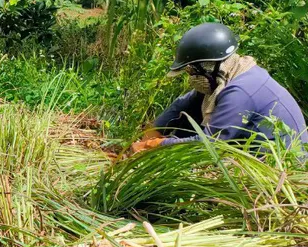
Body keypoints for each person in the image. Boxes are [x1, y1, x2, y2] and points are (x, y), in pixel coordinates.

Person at [131, 23, 308, 154]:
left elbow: (210, 143)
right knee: (187, 115)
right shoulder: (230, 75)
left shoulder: (240, 92)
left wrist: (155, 145)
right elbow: (183, 104)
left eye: (192, 70)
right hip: (256, 149)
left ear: (208, 66)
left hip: (279, 163)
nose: (190, 76)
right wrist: (153, 131)